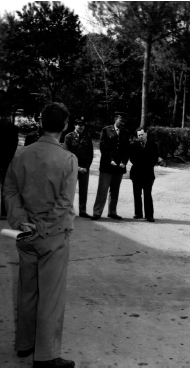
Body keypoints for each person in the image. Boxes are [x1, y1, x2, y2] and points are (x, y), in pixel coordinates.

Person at [3, 102, 77, 367]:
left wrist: (22, 221)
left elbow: (9, 191)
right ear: (65, 126)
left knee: (27, 290)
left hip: (25, 234)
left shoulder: (21, 155)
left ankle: (24, 343)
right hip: (53, 236)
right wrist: (44, 227)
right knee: (51, 296)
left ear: (40, 123)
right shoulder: (67, 159)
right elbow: (64, 203)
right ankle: (46, 356)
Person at [91, 111, 130, 220]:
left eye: (123, 121)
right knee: (103, 189)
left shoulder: (126, 132)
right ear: (115, 119)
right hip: (107, 165)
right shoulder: (106, 130)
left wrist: (124, 162)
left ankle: (112, 211)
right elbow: (103, 147)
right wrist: (111, 160)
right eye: (120, 120)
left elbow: (127, 149)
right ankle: (97, 212)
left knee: (115, 190)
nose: (122, 122)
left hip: (119, 166)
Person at [64, 118, 94, 218]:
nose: (80, 127)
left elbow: (90, 154)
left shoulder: (87, 137)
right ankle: (68, 210)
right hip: (72, 168)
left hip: (84, 169)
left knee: (83, 190)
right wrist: (77, 167)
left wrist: (86, 167)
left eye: (82, 125)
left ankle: (82, 211)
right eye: (78, 125)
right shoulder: (69, 137)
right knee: (70, 190)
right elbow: (67, 153)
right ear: (75, 125)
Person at [129, 127, 160, 222]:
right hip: (136, 173)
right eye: (139, 135)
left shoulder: (153, 145)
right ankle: (138, 213)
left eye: (142, 134)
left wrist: (144, 163)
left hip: (148, 173)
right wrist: (140, 163)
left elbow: (154, 159)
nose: (141, 136)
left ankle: (149, 215)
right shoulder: (134, 145)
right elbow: (132, 159)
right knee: (137, 194)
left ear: (146, 134)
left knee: (147, 194)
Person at [0, 118, 19, 217]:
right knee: (6, 186)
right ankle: (4, 211)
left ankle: (4, 211)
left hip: (7, 159)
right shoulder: (13, 128)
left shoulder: (13, 128)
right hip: (8, 159)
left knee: (6, 186)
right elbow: (14, 144)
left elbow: (14, 145)